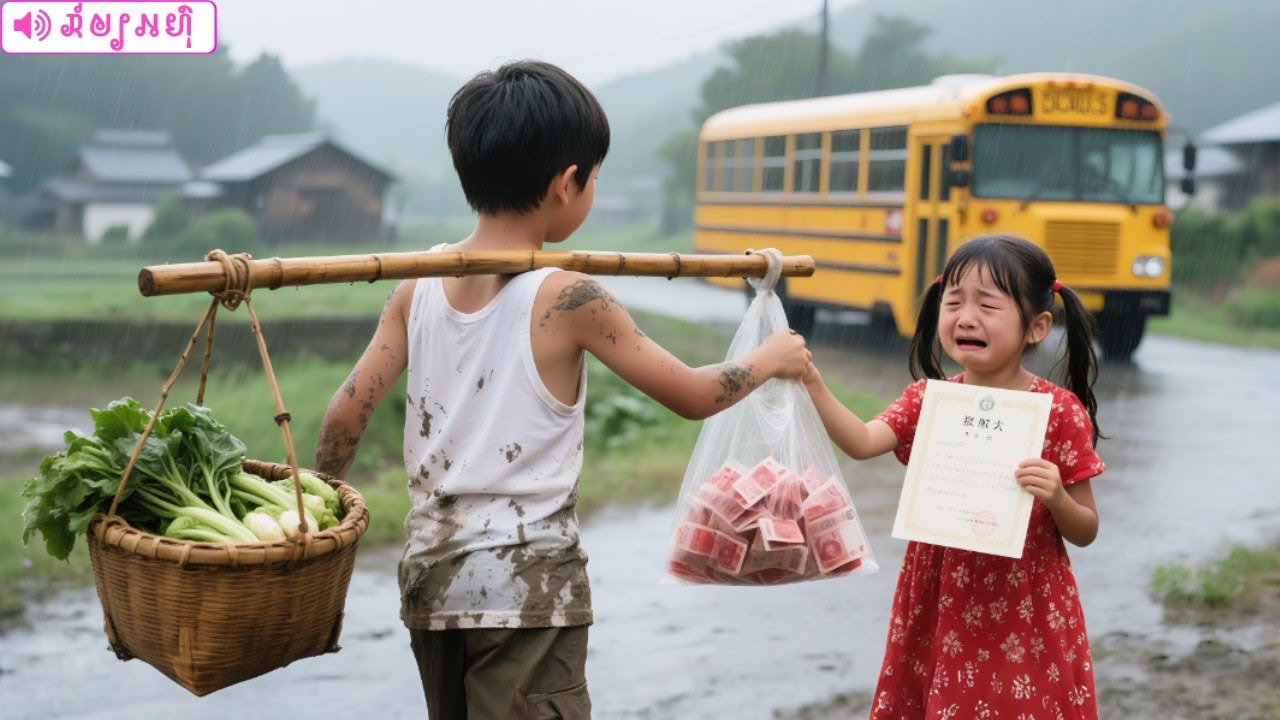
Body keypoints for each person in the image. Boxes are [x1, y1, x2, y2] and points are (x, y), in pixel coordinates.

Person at [314, 60, 811, 720]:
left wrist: (315, 520)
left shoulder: (417, 284)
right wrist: (771, 357)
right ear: (565, 183)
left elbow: (344, 415)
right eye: (594, 178)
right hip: (529, 594)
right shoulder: (570, 297)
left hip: (431, 583)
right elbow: (692, 394)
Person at [803, 234, 1106, 719]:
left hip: (1023, 604)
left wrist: (1057, 497)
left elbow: (1086, 530)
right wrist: (811, 382)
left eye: (987, 305)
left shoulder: (1058, 412)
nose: (966, 317)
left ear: (1037, 326)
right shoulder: (930, 400)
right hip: (940, 600)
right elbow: (861, 442)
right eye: (954, 302)